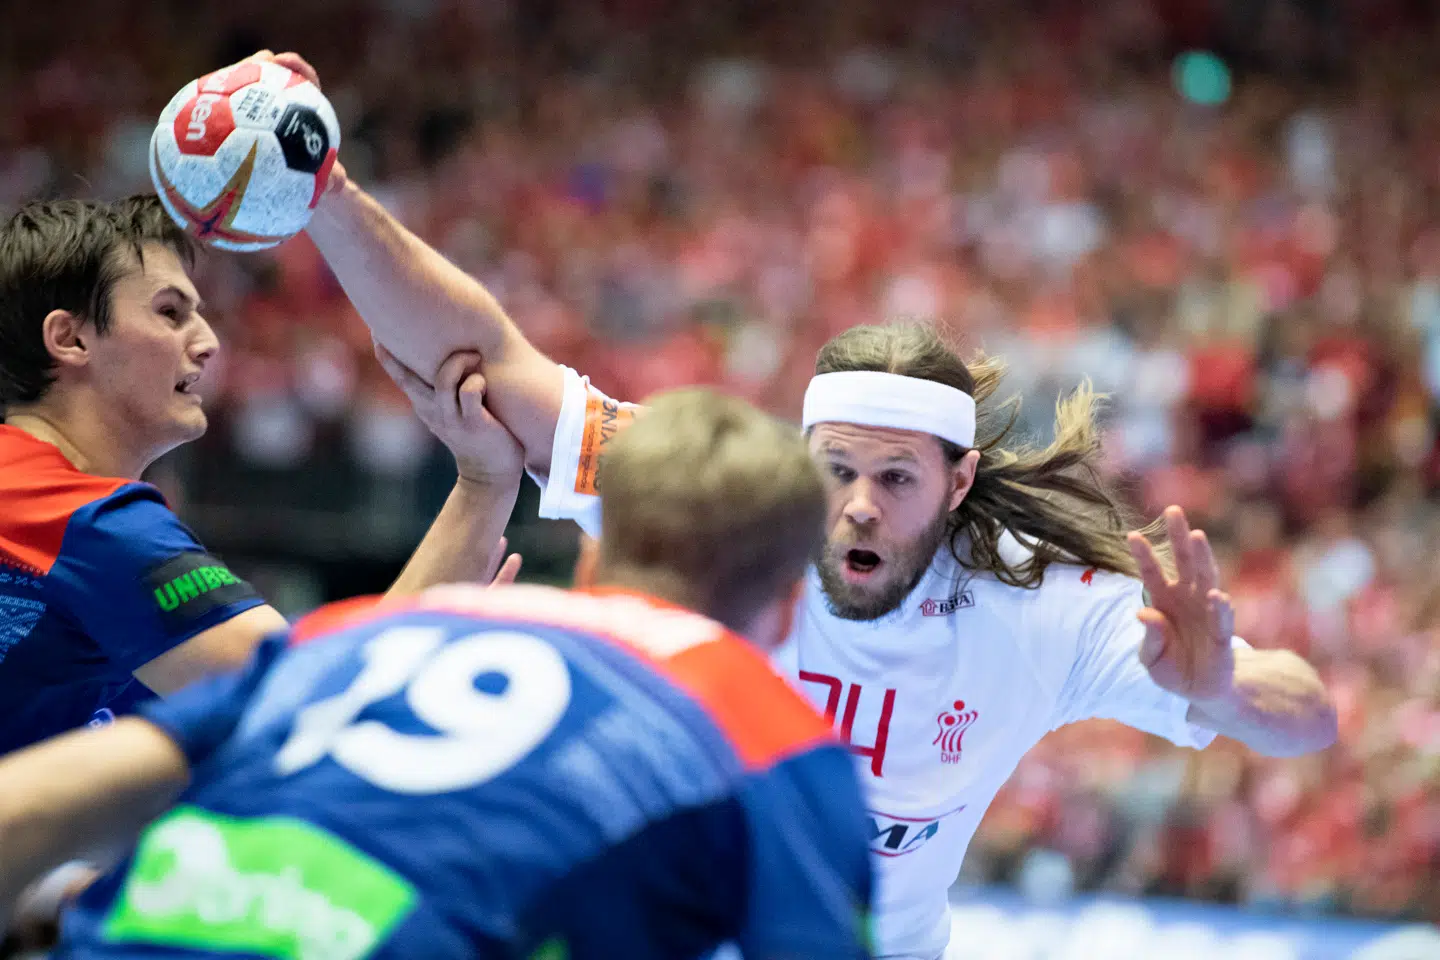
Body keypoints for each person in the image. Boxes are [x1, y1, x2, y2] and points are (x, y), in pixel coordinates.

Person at [232, 50, 1338, 959]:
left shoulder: (1035, 601)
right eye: (833, 470)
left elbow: (1312, 717)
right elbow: (485, 357)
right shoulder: (731, 508)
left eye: (896, 479)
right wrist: (323, 194)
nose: (853, 507)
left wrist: (1222, 685)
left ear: (958, 486)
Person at [0, 388, 874, 960]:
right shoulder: (767, 734)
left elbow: (38, 801)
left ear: (589, 557)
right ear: (789, 608)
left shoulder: (356, 633)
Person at [0, 196, 520, 755]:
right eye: (170, 314)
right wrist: (485, 479)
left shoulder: (36, 502)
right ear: (71, 339)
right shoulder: (82, 521)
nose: (207, 342)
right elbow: (314, 692)